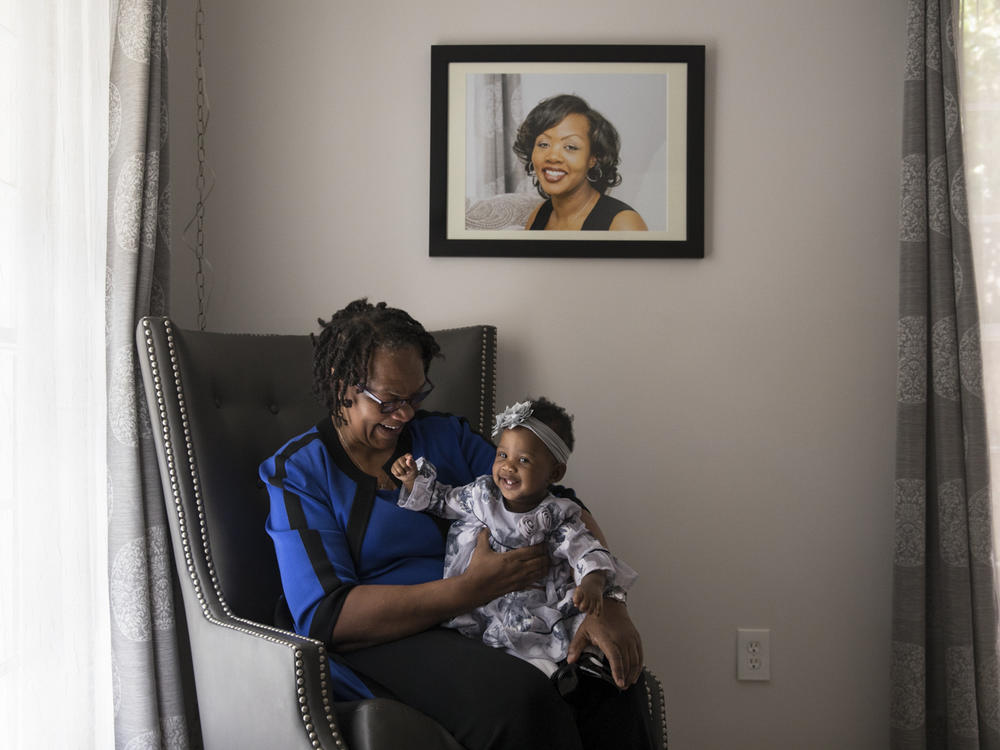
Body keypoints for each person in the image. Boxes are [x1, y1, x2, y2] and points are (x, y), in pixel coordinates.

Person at [260, 299, 654, 750]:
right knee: (520, 701)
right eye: (389, 400)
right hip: (385, 639)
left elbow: (557, 502)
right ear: (342, 385)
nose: (406, 414)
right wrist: (471, 589)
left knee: (607, 677)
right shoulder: (298, 471)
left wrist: (609, 606)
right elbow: (327, 615)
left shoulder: (444, 436)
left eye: (415, 396)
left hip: (489, 616)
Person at [390, 397, 637, 680]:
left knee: (556, 626)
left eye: (523, 460)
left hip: (533, 600)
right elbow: (443, 500)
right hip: (481, 599)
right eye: (502, 455)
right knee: (492, 639)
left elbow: (582, 548)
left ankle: (569, 670)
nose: (508, 467)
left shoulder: (554, 515)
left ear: (554, 473)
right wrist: (413, 480)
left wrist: (593, 583)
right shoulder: (482, 495)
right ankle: (534, 674)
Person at [513, 93, 648, 231]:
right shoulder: (539, 215)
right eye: (543, 144)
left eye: (570, 147)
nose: (552, 157)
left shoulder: (623, 223)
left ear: (593, 158)